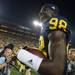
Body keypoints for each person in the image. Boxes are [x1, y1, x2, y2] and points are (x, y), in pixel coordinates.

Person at [17, 3, 71, 75]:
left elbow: (57, 69)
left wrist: (24, 56)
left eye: (45, 9)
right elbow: (46, 56)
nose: (41, 12)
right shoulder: (45, 27)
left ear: (54, 13)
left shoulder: (55, 22)